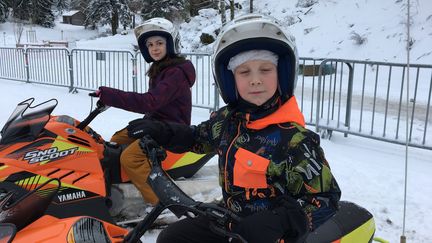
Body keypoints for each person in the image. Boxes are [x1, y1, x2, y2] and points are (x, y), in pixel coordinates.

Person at [134, 14, 341, 243]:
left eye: (265, 70)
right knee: (172, 237)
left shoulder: (294, 139)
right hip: (230, 221)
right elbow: (197, 138)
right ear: (230, 80)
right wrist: (162, 131)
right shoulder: (228, 120)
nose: (255, 80)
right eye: (244, 72)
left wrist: (281, 221)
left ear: (283, 74)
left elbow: (326, 198)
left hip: (271, 235)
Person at [93, 17, 196, 206]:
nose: (154, 48)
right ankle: (129, 186)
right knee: (116, 140)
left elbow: (150, 102)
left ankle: (161, 204)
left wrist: (111, 95)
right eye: (150, 45)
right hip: (157, 125)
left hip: (173, 129)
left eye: (159, 43)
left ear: (171, 44)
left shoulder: (176, 73)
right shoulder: (162, 69)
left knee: (130, 157)